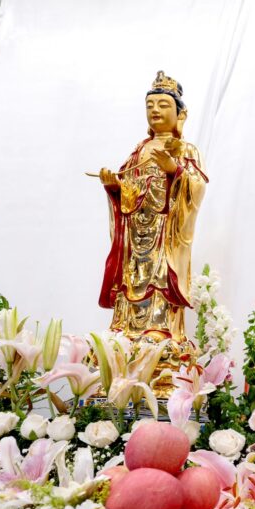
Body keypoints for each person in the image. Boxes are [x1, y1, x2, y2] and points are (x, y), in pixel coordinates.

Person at [97, 71, 208, 342]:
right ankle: (125, 326)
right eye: (150, 106)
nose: (155, 111)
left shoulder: (186, 149)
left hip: (164, 230)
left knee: (159, 276)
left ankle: (159, 326)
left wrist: (174, 169)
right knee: (132, 276)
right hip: (137, 232)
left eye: (163, 105)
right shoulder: (139, 150)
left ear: (180, 113)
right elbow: (130, 189)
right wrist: (115, 187)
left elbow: (198, 186)